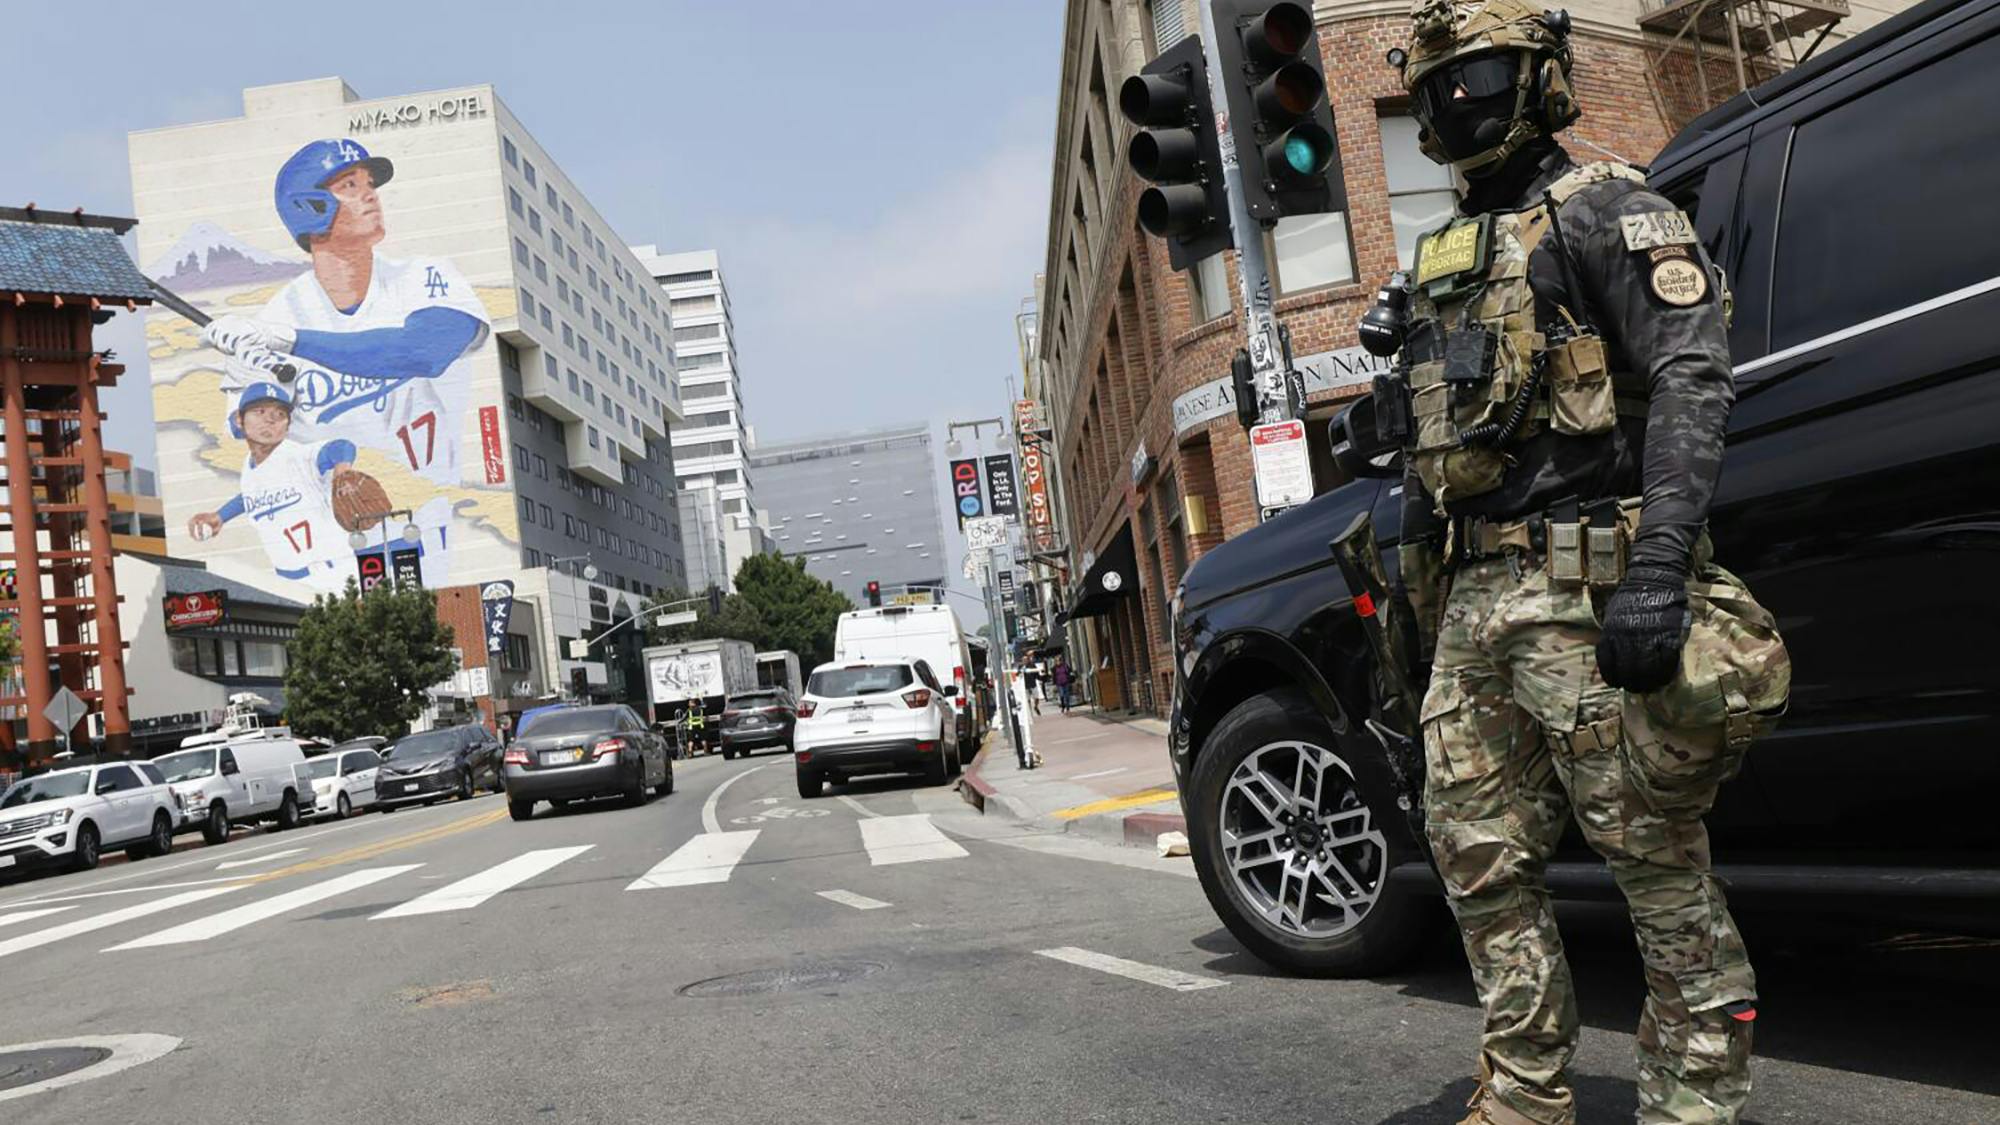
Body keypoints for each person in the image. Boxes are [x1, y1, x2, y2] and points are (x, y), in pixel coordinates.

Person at [1378, 2, 1791, 1122]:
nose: (1456, 102)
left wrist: (1657, 569)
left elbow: (1692, 380)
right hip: (1476, 599)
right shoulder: (1446, 257)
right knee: (1474, 857)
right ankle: (1522, 1094)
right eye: (1436, 86)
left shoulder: (1611, 211)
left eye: (1483, 75)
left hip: (1589, 583)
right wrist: (1416, 616)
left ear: (1541, 79)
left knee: (1653, 861)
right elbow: (1430, 453)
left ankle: (1693, 1101)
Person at [199, 138, 491, 587]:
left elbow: (425, 352)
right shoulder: (272, 320)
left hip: (426, 527)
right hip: (332, 553)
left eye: (370, 183)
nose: (371, 195)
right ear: (308, 207)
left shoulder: (424, 276)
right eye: (350, 185)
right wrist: (249, 375)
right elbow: (248, 435)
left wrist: (290, 342)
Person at [187, 382, 367, 594]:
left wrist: (343, 470)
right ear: (239, 420)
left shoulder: (297, 456)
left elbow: (341, 446)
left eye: (280, 414)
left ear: (287, 426)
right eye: (259, 411)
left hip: (333, 574)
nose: (270, 419)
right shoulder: (250, 467)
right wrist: (220, 516)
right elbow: (250, 495)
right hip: (288, 583)